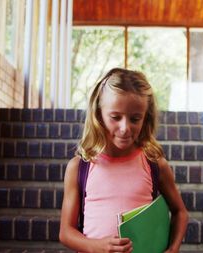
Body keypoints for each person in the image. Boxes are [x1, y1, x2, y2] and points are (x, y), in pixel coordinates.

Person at [59, 68, 188, 253]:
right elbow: (65, 232)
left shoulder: (154, 164)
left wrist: (173, 248)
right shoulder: (80, 167)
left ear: (146, 118)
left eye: (135, 119)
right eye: (115, 117)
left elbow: (180, 212)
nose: (125, 127)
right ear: (98, 114)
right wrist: (97, 246)